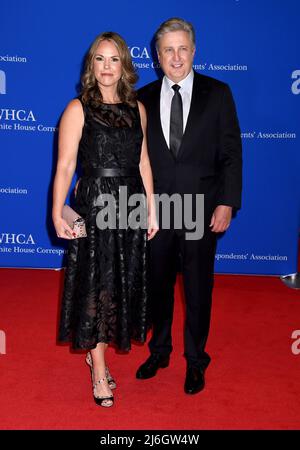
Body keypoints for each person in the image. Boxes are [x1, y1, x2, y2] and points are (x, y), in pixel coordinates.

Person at [136, 18, 242, 394]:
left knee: (198, 288)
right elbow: (136, 157)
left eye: (183, 49)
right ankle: (159, 350)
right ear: (157, 56)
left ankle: (196, 360)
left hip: (201, 206)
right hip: (156, 209)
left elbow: (231, 153)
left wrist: (227, 202)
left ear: (194, 51)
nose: (176, 57)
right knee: (158, 285)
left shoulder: (219, 93)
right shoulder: (142, 98)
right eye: (168, 50)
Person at [52, 31, 157, 408]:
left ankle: (97, 354)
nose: (107, 67)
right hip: (95, 204)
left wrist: (153, 208)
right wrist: (56, 209)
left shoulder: (137, 109)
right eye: (100, 58)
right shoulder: (77, 108)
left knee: (121, 284)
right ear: (91, 64)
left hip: (130, 205)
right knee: (98, 284)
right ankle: (98, 367)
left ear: (125, 65)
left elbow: (144, 163)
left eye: (114, 59)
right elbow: (65, 166)